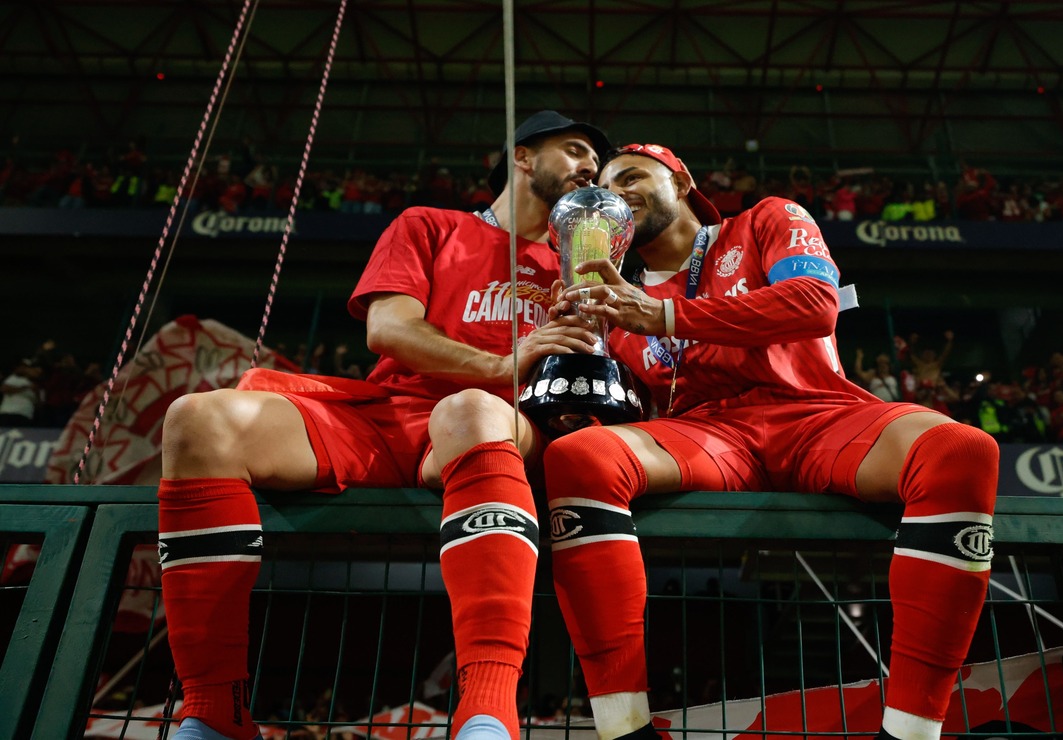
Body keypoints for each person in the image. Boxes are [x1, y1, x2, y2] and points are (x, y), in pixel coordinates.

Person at [155, 110, 610, 740]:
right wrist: (498, 361)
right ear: (524, 157)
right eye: (575, 150)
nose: (591, 168)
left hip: (496, 427)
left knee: (471, 408)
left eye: (596, 162)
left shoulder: (588, 268)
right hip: (387, 416)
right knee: (196, 420)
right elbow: (388, 330)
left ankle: (486, 710)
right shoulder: (429, 224)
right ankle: (213, 709)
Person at [541, 143, 998, 740]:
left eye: (631, 176)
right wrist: (571, 363)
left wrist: (666, 316)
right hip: (708, 434)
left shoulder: (766, 220)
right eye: (604, 186)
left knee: (963, 452)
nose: (615, 192)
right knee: (578, 458)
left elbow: (815, 305)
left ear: (680, 182)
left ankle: (912, 730)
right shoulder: (613, 300)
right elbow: (627, 410)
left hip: (818, 414)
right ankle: (622, 727)